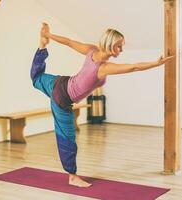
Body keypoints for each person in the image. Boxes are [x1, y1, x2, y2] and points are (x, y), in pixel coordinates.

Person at [31, 23, 174, 188]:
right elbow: (133, 67)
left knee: (36, 78)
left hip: (60, 83)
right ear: (110, 44)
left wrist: (48, 35)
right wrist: (156, 64)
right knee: (67, 139)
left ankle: (42, 46)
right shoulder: (104, 67)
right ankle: (72, 176)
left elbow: (69, 42)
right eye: (119, 46)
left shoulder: (91, 50)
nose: (121, 50)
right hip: (62, 99)